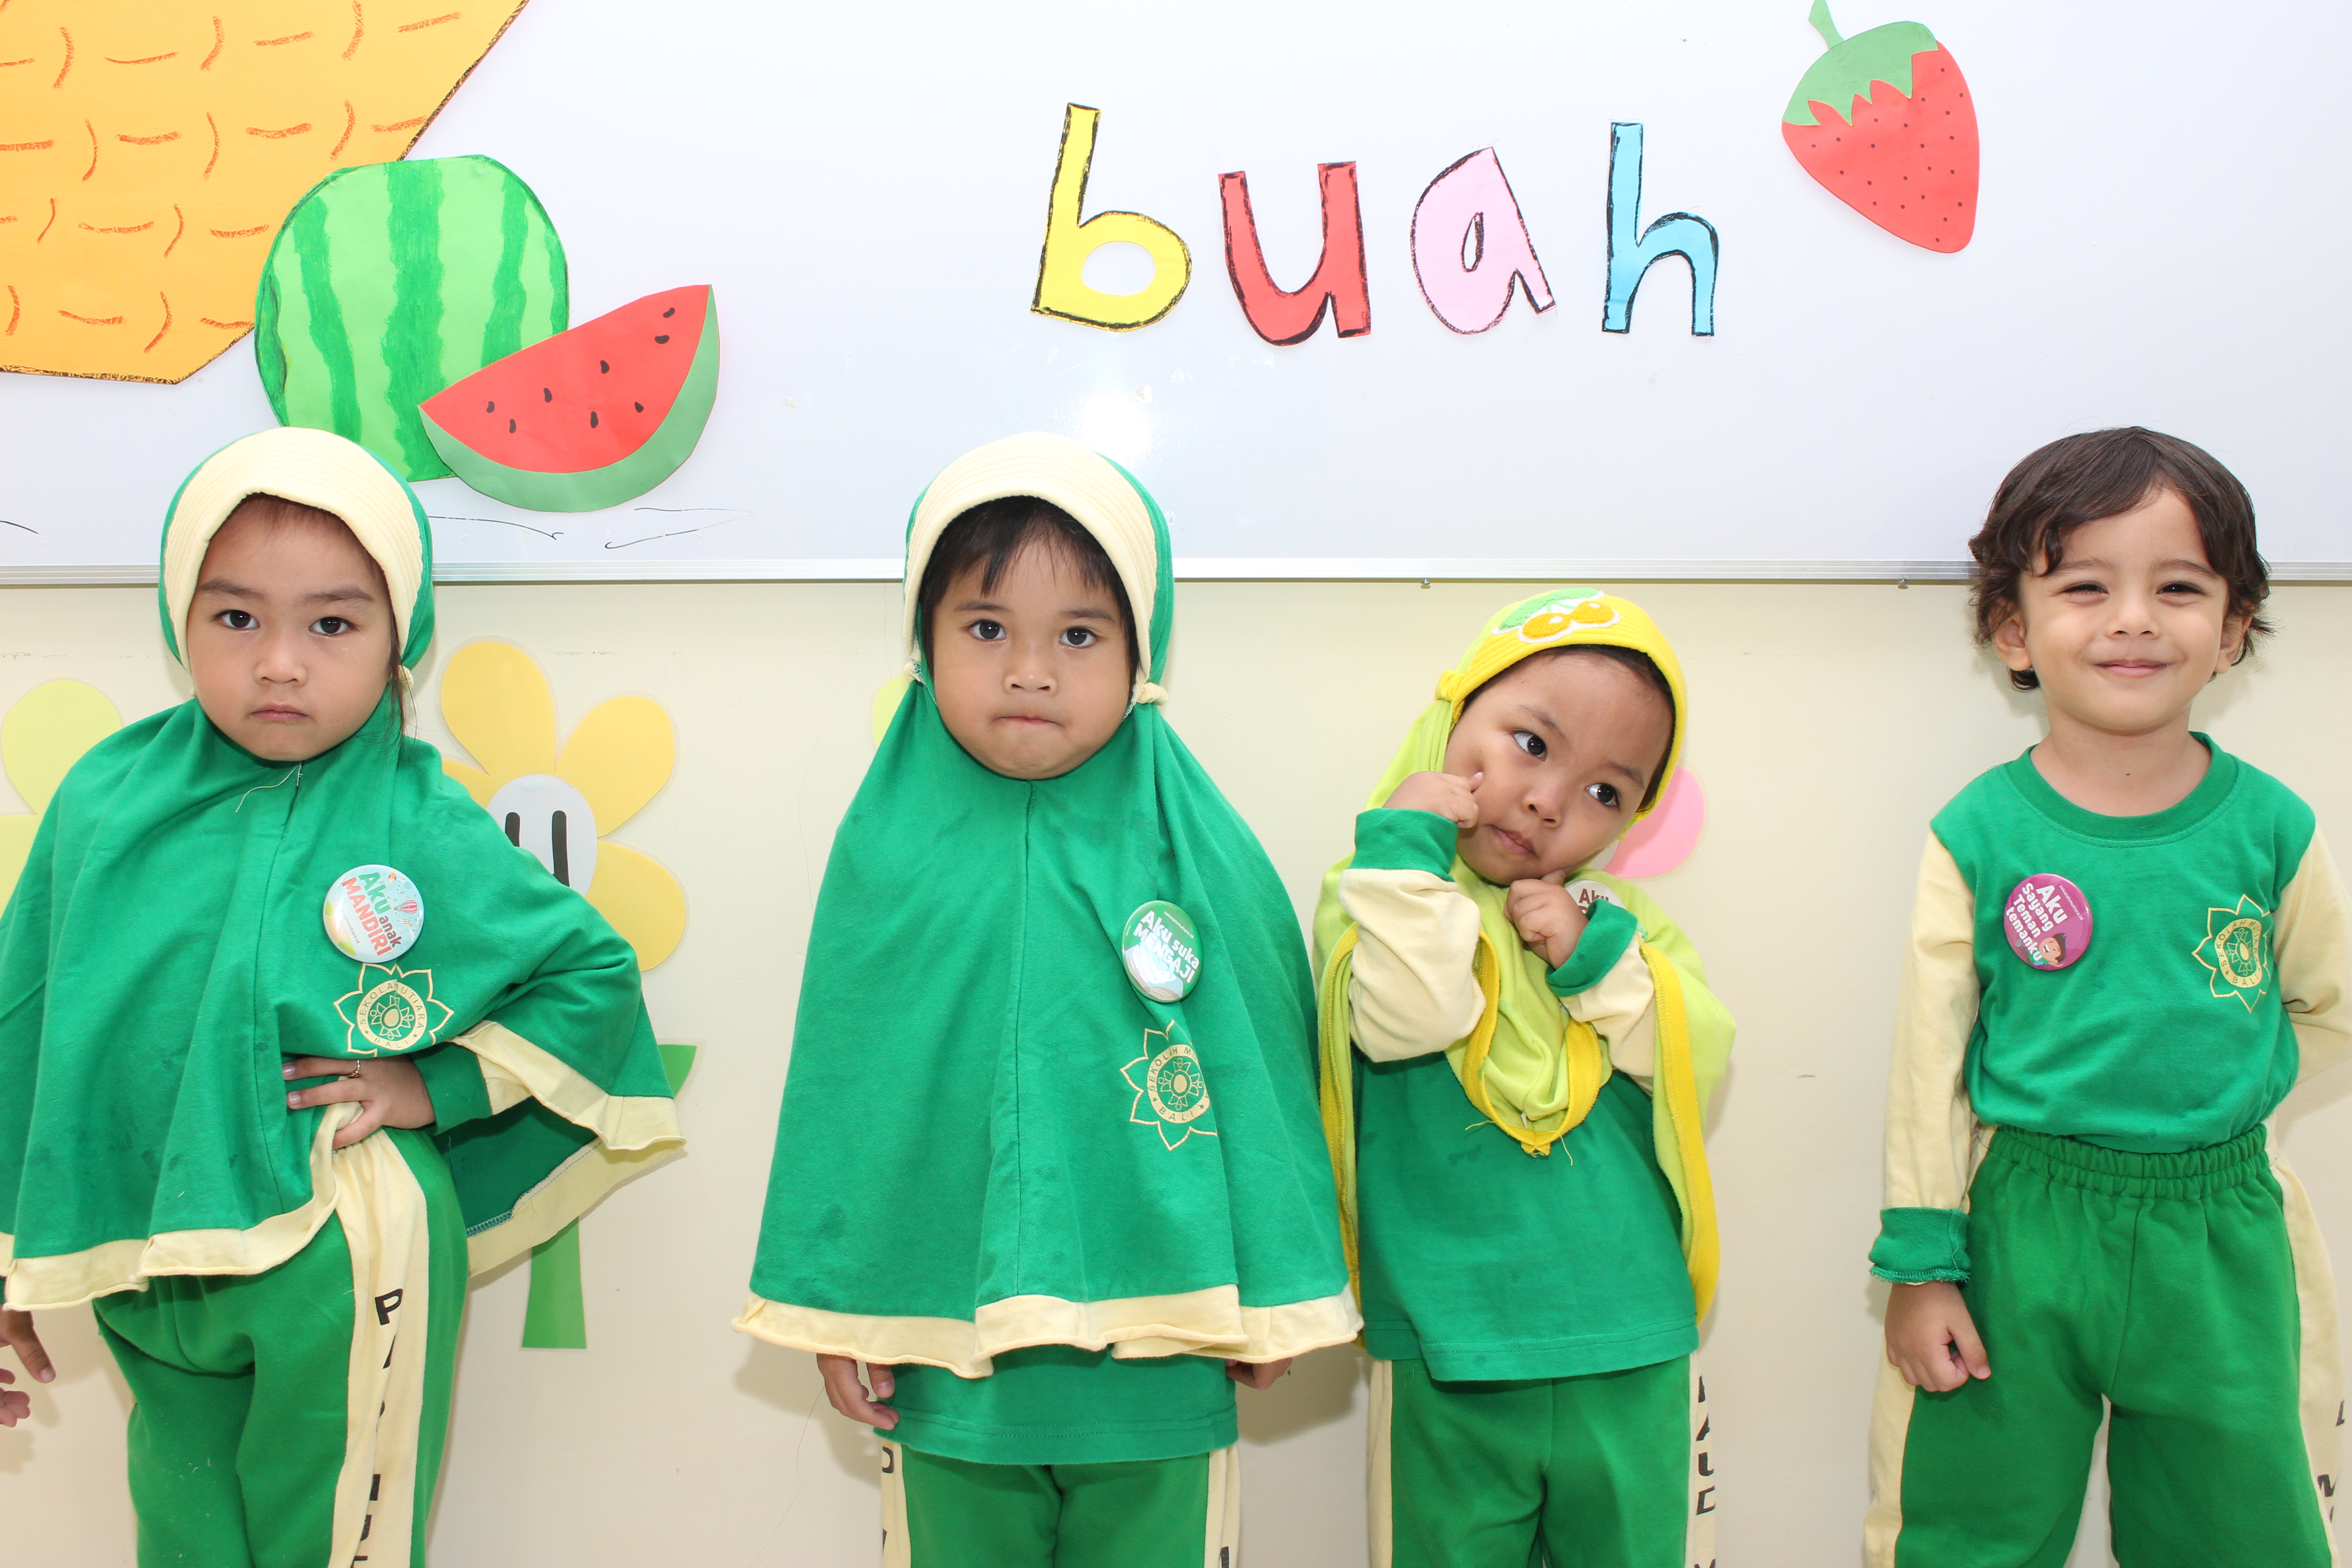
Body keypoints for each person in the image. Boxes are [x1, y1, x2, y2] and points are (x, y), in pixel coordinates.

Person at [0, 426, 684, 1566]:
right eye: (237, 619)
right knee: (183, 1539)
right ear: (182, 624)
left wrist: (440, 1084)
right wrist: (13, 1248)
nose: (280, 663)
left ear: (396, 643)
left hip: (344, 1242)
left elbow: (590, 974)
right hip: (147, 1254)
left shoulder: (419, 815)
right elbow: (25, 1014)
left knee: (335, 1546)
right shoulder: (106, 798)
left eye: (331, 623)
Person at [737, 432, 1356, 1568]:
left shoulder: (1198, 849)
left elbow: (1263, 1065)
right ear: (924, 643)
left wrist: (1273, 1290)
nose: (1031, 671)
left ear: (1142, 652)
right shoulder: (886, 853)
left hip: (1160, 1358)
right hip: (951, 1371)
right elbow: (847, 1091)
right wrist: (842, 1307)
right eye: (987, 629)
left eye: (1079, 635)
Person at [1866, 427, 2348, 1565]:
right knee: (1967, 1527)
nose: (2133, 618)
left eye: (2178, 588)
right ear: (2012, 628)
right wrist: (1922, 1266)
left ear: (2233, 629)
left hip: (2221, 1232)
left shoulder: (2274, 831)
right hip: (2021, 1230)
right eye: (2086, 585)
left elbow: (2325, 1005)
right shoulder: (1978, 834)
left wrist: (2220, 1093)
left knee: (2241, 1531)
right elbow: (1929, 1062)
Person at [1313, 588, 1733, 1568]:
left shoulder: (1622, 925)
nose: (1548, 802)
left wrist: (1597, 962)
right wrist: (1409, 850)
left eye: (1605, 794)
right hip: (1451, 1354)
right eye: (1531, 745)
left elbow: (1693, 1057)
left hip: (1632, 1341)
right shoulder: (1375, 894)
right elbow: (1415, 1016)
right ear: (1452, 715)